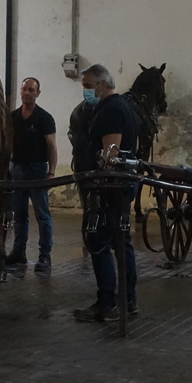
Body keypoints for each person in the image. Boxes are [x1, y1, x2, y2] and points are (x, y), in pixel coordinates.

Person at [75, 63, 141, 322]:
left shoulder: (111, 110)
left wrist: (98, 183)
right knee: (120, 241)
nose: (86, 91)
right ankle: (128, 300)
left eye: (88, 86)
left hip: (111, 187)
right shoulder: (121, 106)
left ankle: (108, 303)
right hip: (120, 184)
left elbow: (110, 155)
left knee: (98, 240)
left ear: (103, 84)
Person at [8, 77, 57, 272]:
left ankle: (45, 255)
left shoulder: (45, 118)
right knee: (19, 215)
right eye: (24, 89)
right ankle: (18, 252)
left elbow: (51, 147)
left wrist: (51, 172)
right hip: (16, 170)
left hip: (37, 171)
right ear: (20, 92)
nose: (27, 93)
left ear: (38, 93)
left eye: (31, 90)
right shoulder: (12, 117)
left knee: (42, 215)